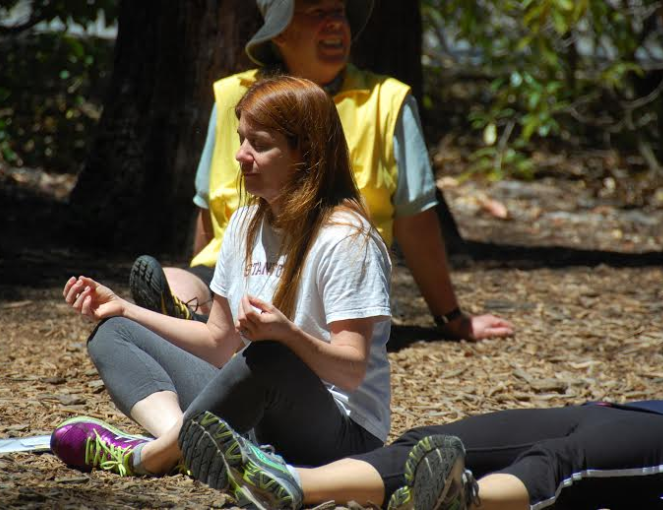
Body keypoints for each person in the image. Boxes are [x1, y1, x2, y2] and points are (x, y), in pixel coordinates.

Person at [51, 76, 393, 480]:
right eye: (241, 139)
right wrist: (123, 307)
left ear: (308, 154)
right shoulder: (245, 223)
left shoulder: (347, 239)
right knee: (115, 332)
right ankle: (177, 443)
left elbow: (351, 369)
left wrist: (286, 336)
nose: (241, 156)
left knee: (267, 357)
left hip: (341, 439)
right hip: (260, 415)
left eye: (260, 144)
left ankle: (151, 457)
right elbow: (217, 344)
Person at [129, 0, 514, 341]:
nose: (335, 23)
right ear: (279, 33)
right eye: (317, 12)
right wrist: (209, 274)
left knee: (272, 308)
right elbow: (208, 207)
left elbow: (417, 220)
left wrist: (450, 317)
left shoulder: (386, 101)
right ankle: (203, 324)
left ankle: (215, 333)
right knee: (176, 279)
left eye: (339, 11)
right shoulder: (234, 95)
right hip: (243, 262)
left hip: (327, 267)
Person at [178, 397, 663, 509]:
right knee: (441, 440)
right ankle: (290, 483)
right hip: (629, 408)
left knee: (564, 460)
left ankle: (461, 500)